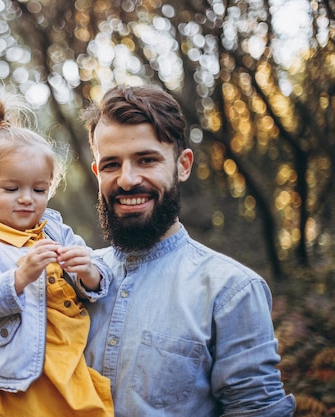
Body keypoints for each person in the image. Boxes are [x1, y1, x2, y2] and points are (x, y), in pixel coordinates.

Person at [81, 84, 296, 417]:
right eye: (111, 165)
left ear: (183, 165)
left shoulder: (231, 291)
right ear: (97, 173)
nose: (126, 180)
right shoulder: (69, 281)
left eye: (146, 159)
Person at [0, 89, 114, 417]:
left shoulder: (56, 230)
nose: (27, 198)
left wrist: (88, 273)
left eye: (39, 189)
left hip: (65, 372)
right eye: (12, 189)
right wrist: (19, 278)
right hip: (10, 387)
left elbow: (92, 277)